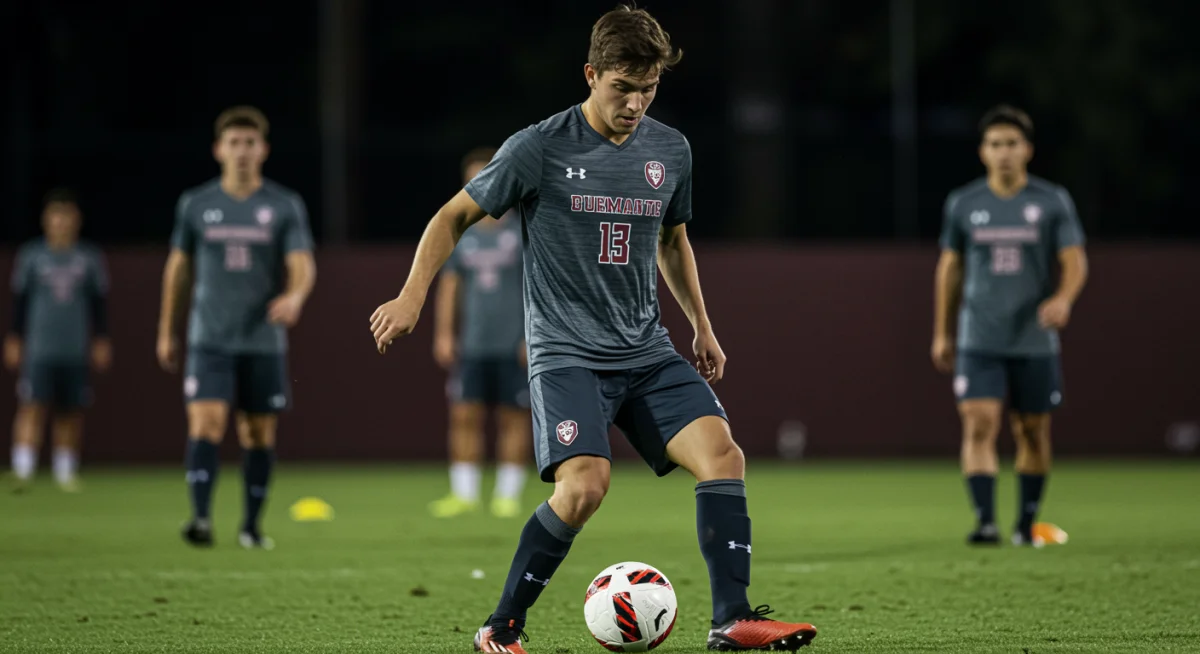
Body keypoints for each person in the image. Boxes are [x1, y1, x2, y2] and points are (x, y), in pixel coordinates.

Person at [369, 5, 817, 651]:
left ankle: (732, 618)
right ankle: (501, 626)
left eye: (649, 88)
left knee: (723, 456)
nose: (636, 103)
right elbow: (451, 218)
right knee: (585, 489)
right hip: (566, 354)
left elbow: (672, 239)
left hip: (647, 349)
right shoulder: (538, 146)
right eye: (622, 88)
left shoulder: (671, 148)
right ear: (591, 74)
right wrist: (412, 297)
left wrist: (702, 326)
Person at [157, 106, 316, 549]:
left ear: (263, 150)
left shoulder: (283, 205)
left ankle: (249, 526)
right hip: (208, 337)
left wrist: (295, 296)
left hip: (262, 339)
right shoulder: (196, 204)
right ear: (218, 149)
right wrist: (167, 330)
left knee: (257, 432)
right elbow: (178, 269)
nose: (242, 151)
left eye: (250, 143)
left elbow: (302, 264)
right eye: (234, 143)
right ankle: (202, 518)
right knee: (206, 423)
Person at [932, 104, 1088, 547]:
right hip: (978, 335)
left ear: (1028, 150)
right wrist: (943, 331)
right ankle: (985, 522)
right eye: (996, 144)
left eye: (1012, 144)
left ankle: (1026, 522)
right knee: (979, 423)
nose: (1004, 152)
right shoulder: (964, 203)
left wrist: (1063, 298)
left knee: (1032, 430)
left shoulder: (1051, 200)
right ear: (983, 151)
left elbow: (1074, 260)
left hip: (1033, 338)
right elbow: (949, 268)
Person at [428, 146, 532, 520]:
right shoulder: (462, 231)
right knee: (464, 415)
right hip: (473, 342)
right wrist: (443, 334)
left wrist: (531, 336)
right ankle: (465, 495)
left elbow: (539, 286)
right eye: (472, 179)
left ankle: (507, 497)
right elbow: (450, 286)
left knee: (513, 417)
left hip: (514, 343)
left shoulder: (523, 227)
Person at [6, 188, 111, 493]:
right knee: (32, 405)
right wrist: (15, 337)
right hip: (39, 347)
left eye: (67, 215)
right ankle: (23, 468)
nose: (61, 222)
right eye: (56, 215)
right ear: (45, 220)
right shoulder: (32, 256)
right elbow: (21, 301)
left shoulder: (88, 258)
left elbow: (98, 303)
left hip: (75, 347)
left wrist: (101, 338)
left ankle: (65, 471)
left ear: (76, 219)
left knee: (71, 409)